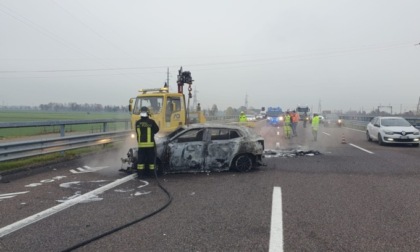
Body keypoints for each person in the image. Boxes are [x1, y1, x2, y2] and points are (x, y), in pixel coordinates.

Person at [136, 106, 159, 177]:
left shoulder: (137, 123)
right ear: (148, 113)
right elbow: (157, 130)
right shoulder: (151, 122)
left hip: (141, 146)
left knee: (141, 162)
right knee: (151, 161)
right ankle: (152, 174)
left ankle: (140, 175)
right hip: (150, 146)